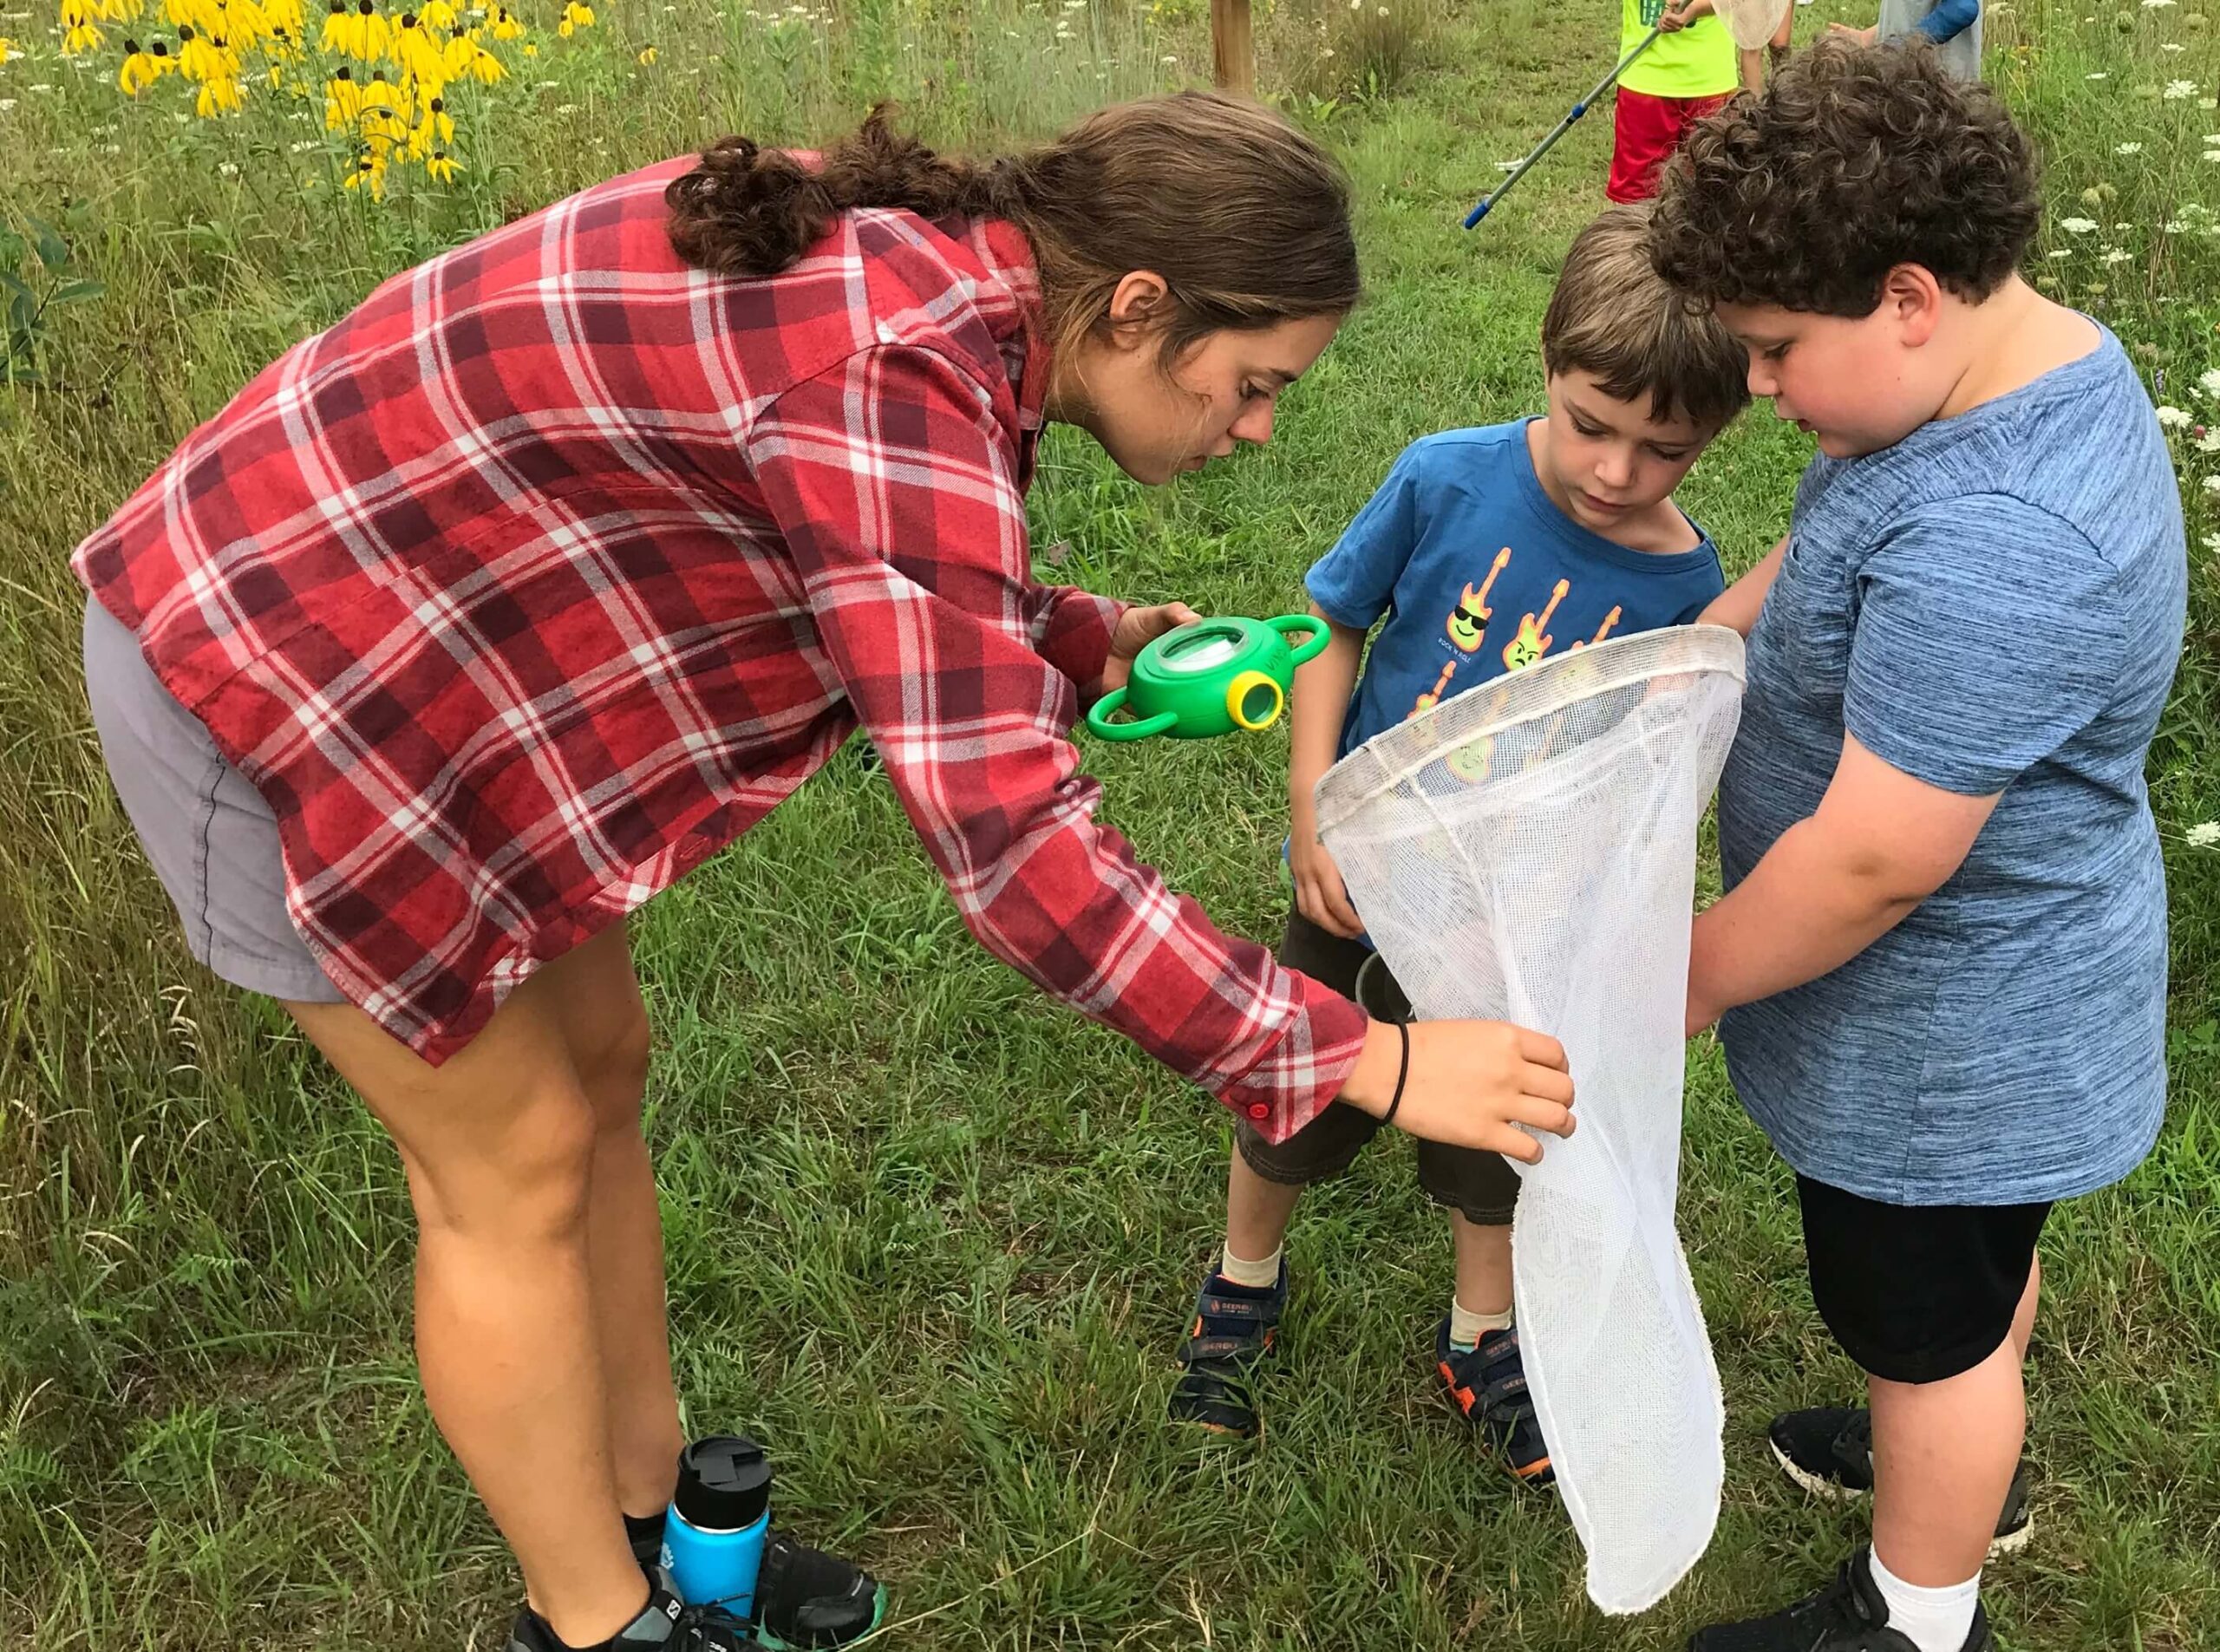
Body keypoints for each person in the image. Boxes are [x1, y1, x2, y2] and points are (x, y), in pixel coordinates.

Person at [75, 95, 1580, 1652]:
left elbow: (866, 550)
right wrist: (1370, 1057)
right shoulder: (892, 367)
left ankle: (668, 1538)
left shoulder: (944, 290)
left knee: (601, 1074)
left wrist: (1079, 638)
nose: (1257, 426)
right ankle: (595, 1628)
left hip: (429, 648)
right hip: (268, 668)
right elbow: (1015, 853)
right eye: (1252, 384)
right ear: (1139, 308)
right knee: (508, 1164)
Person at [1650, 42, 2184, 1652]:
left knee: (1927, 1321)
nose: (1757, 390)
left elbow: (1877, 861)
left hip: (1952, 1042)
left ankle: (1915, 1609)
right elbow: (1819, 565)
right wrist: (1682, 665)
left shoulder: (2002, 538)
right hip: (1964, 1022)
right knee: (1953, 1293)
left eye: (1770, 352)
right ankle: (1935, 1439)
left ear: (1904, 295)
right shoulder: (1979, 380)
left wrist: (1675, 978)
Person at [1167, 204, 1747, 1472]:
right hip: (1357, 888)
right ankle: (1242, 1281)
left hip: (1519, 924)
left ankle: (1482, 1334)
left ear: (1716, 435)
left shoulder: (1683, 591)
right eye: (1592, 423)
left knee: (1497, 1142)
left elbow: (1633, 779)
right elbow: (1332, 621)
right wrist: (1314, 802)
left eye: (1663, 450)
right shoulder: (1447, 474)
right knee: (1298, 1097)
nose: (1613, 471)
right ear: (1547, 361)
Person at [1612, 0, 1743, 203]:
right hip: (1645, 79)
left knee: (1712, 188)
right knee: (1638, 197)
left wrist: (1692, 10)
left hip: (1710, 81)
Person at [1831, 0, 1982, 80]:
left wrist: (1897, 48)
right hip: (1913, 86)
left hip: (1933, 91)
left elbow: (1961, 9)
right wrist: (1867, 37)